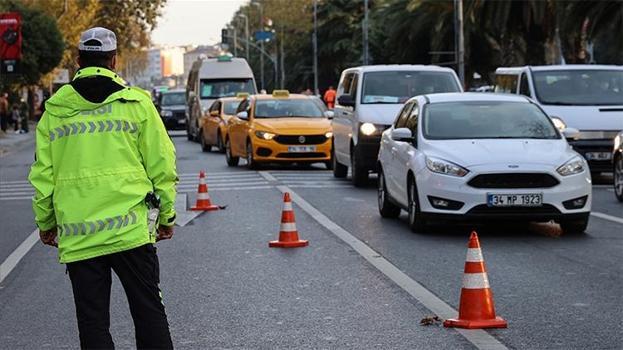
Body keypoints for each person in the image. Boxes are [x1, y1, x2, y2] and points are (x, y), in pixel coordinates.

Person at [28, 27, 177, 349]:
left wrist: (46, 223)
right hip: (132, 231)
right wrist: (167, 215)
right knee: (149, 311)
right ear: (114, 60)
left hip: (81, 235)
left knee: (92, 322)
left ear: (79, 60)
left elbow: (43, 176)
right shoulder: (136, 103)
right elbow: (162, 164)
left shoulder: (54, 110)